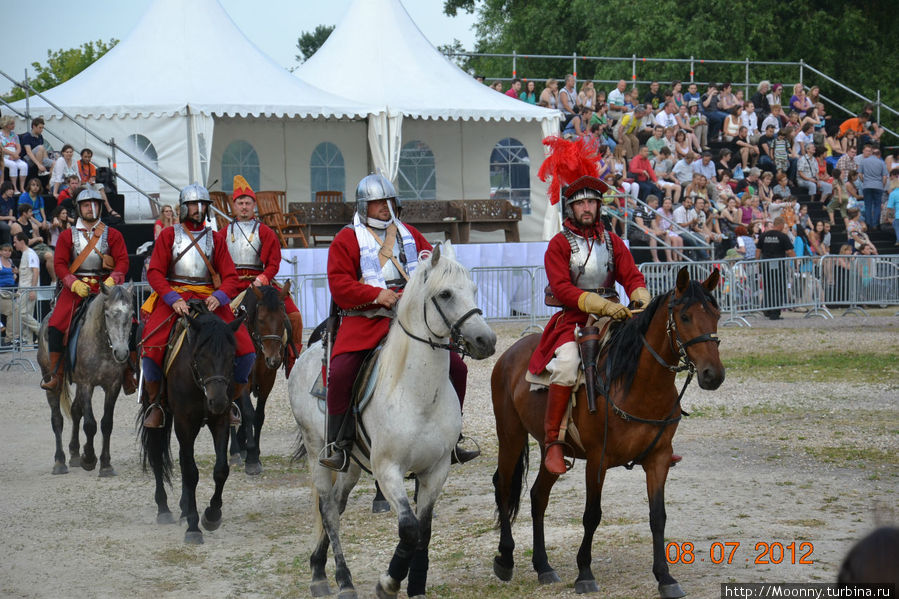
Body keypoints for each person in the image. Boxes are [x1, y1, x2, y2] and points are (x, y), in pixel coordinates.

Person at [319, 174, 477, 471]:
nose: (384, 207)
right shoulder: (346, 238)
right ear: (364, 206)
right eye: (377, 202)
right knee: (341, 372)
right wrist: (377, 295)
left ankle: (453, 437)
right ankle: (338, 442)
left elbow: (434, 270)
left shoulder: (410, 235)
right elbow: (339, 285)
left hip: (413, 321)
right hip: (368, 320)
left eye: (388, 201)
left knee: (457, 367)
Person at [528, 142, 650, 475]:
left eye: (592, 202)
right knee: (567, 365)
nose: (587, 207)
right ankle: (554, 442)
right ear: (570, 207)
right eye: (581, 202)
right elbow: (563, 289)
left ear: (598, 206)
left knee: (647, 355)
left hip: (615, 315)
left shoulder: (613, 241)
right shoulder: (558, 244)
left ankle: (649, 433)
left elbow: (630, 274)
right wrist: (600, 305)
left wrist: (641, 298)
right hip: (576, 320)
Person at [140, 183, 255, 428]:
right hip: (175, 299)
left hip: (209, 301)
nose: (198, 208)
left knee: (246, 350)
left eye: (202, 204)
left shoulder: (216, 239)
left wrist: (220, 297)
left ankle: (231, 399)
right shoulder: (169, 235)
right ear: (184, 207)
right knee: (151, 346)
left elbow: (232, 278)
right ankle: (156, 403)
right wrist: (173, 299)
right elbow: (156, 273)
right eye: (193, 204)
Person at [40, 188, 132, 390]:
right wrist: (72, 282)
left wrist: (113, 280)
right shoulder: (67, 236)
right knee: (56, 325)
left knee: (130, 322)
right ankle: (57, 374)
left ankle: (128, 373)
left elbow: (123, 262)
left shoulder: (113, 234)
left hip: (106, 290)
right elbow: (60, 264)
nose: (91, 209)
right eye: (86, 205)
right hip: (75, 290)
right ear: (79, 209)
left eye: (95, 205)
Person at [215, 175, 304, 375]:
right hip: (231, 285)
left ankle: (292, 360)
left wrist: (262, 279)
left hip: (260, 284)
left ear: (254, 205)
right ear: (234, 205)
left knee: (295, 317)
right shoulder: (221, 234)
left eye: (248, 203)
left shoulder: (266, 232)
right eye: (240, 203)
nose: (244, 207)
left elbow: (273, 263)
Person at [755, 216, 795, 320]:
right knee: (778, 288)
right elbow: (790, 251)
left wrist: (757, 263)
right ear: (781, 225)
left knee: (768, 288)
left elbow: (758, 250)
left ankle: (767, 309)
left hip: (766, 266)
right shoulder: (783, 236)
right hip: (778, 267)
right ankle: (774, 313)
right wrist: (796, 260)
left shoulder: (764, 235)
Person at [11, 232, 42, 345]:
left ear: (22, 242)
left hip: (28, 290)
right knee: (26, 315)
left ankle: (42, 330)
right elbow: (28, 272)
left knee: (22, 314)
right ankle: (28, 343)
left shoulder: (30, 253)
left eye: (15, 242)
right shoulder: (25, 254)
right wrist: (18, 272)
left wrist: (33, 289)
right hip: (24, 290)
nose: (14, 244)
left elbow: (36, 271)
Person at [77, 148, 119, 219]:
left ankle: (109, 209)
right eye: (85, 157)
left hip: (88, 184)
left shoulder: (92, 166)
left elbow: (93, 177)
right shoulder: (77, 164)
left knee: (100, 186)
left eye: (89, 157)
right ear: (81, 156)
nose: (87, 159)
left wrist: (91, 180)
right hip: (80, 185)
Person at [856, 143, 887, 227]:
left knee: (868, 205)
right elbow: (884, 177)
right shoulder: (882, 163)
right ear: (879, 154)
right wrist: (882, 186)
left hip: (867, 186)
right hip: (878, 186)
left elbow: (859, 174)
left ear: (871, 152)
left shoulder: (864, 161)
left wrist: (864, 181)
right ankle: (875, 224)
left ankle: (868, 223)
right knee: (877, 205)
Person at [1, 116, 28, 193]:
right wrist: (13, 154)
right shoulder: (0, 135)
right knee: (13, 165)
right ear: (6, 125)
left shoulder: (14, 135)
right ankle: (15, 188)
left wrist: (15, 155)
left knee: (24, 165)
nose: (14, 125)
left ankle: (22, 187)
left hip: (14, 156)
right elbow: (2, 148)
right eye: (12, 124)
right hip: (4, 156)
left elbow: (18, 147)